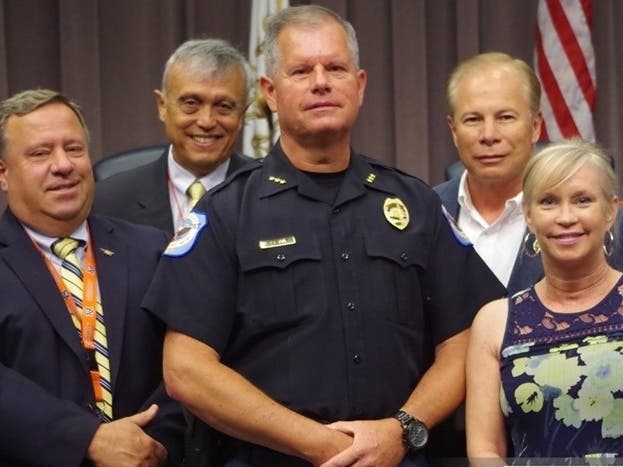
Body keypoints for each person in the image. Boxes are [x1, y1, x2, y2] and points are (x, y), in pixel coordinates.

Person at [143, 5, 505, 467]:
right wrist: (322, 446)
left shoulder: (415, 203)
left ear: (360, 85)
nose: (321, 81)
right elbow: (186, 370)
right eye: (301, 70)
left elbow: (467, 340)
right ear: (269, 93)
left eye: (335, 68)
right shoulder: (225, 213)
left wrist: (403, 429)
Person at [0, 89, 185, 466]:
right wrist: (87, 440)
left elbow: (190, 361)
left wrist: (152, 443)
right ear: (3, 173)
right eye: (40, 153)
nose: (63, 165)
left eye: (74, 149)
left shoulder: (150, 249)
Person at [466, 138, 623, 465]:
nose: (566, 217)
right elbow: (484, 452)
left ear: (611, 210)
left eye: (583, 200)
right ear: (528, 215)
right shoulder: (495, 322)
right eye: (548, 201)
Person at [93, 38, 256, 236]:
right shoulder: (108, 202)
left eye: (224, 106)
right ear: (162, 106)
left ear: (243, 114)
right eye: (191, 103)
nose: (206, 121)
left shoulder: (271, 196)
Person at [434, 52, 544, 295]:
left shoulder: (583, 217)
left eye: (505, 117)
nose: (489, 135)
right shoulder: (424, 212)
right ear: (453, 130)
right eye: (473, 119)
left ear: (535, 127)